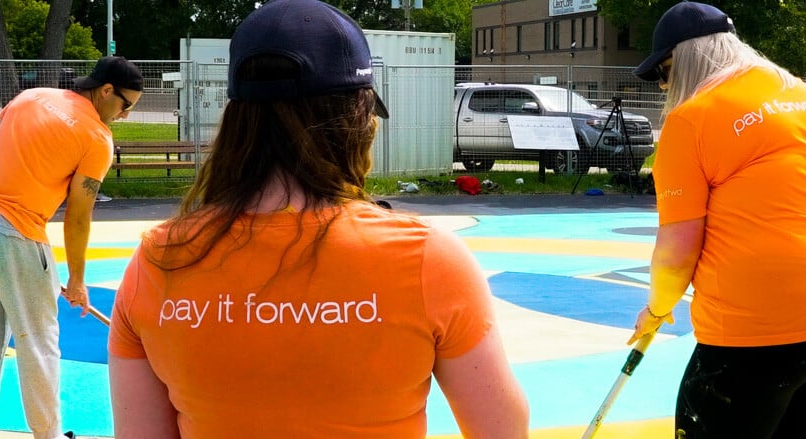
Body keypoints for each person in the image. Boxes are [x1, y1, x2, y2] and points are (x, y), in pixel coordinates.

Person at [106, 0, 529, 437]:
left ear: (236, 119)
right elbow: (501, 429)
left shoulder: (160, 261)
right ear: (360, 117)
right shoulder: (427, 260)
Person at [629, 2, 806, 438]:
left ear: (679, 61)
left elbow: (677, 250)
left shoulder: (691, 120)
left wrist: (656, 310)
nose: (663, 85)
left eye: (662, 73)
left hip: (757, 327)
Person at [0, 56, 143, 439]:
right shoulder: (96, 138)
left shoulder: (31, 97)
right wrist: (76, 280)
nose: (124, 116)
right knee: (38, 343)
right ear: (106, 91)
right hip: (16, 231)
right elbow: (78, 216)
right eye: (126, 105)